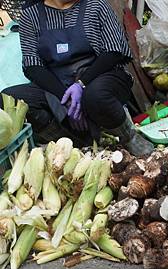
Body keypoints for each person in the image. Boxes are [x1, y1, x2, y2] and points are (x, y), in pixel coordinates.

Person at [0, 0, 154, 155]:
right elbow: (32, 65)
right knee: (9, 98)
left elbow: (113, 51)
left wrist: (81, 84)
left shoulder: (96, 5)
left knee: (95, 95)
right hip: (58, 82)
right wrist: (64, 97)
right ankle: (72, 144)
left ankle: (129, 138)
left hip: (101, 74)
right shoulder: (31, 14)